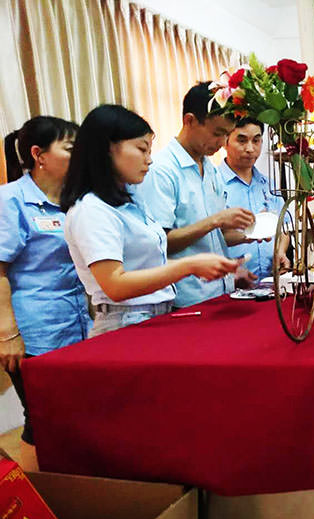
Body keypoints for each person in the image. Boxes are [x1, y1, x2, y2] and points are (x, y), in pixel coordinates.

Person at [61, 104, 240, 336]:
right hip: (125, 321)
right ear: (107, 149)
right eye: (141, 149)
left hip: (155, 314)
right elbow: (115, 285)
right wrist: (189, 266)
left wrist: (202, 264)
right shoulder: (91, 209)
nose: (149, 160)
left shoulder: (131, 200)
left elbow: (149, 263)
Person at [0, 116, 92, 471]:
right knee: (40, 417)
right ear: (39, 155)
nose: (80, 155)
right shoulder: (11, 201)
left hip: (75, 325)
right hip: (33, 332)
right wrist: (8, 334)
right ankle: (37, 497)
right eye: (70, 148)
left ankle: (71, 488)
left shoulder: (74, 202)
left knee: (71, 415)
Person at [135, 82, 257, 307]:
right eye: (217, 134)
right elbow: (160, 244)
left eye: (226, 134)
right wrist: (216, 220)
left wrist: (250, 234)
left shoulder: (209, 168)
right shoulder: (162, 170)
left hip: (219, 293)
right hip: (184, 300)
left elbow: (214, 237)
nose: (222, 143)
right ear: (189, 120)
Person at [221, 117, 289, 279]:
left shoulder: (269, 185)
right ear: (224, 141)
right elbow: (209, 237)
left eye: (256, 141)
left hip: (271, 282)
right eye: (242, 140)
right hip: (230, 283)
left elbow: (284, 227)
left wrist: (280, 252)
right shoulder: (214, 183)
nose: (250, 149)